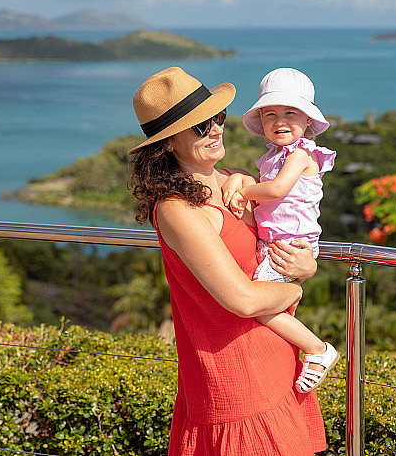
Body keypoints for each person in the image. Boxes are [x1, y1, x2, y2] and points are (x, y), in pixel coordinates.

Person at [128, 66, 327, 456]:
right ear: (167, 143)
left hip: (278, 361)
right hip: (231, 376)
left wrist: (308, 265)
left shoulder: (240, 181)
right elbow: (244, 300)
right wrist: (295, 285)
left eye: (216, 118)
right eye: (200, 126)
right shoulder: (177, 210)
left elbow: (284, 243)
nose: (216, 129)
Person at [222, 67, 339, 395]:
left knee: (258, 307)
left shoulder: (301, 154)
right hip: (275, 245)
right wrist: (242, 181)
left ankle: (318, 350)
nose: (279, 121)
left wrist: (243, 191)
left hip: (292, 246)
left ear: (308, 120)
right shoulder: (272, 157)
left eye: (290, 112)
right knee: (273, 316)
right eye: (270, 114)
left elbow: (273, 191)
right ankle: (281, 373)